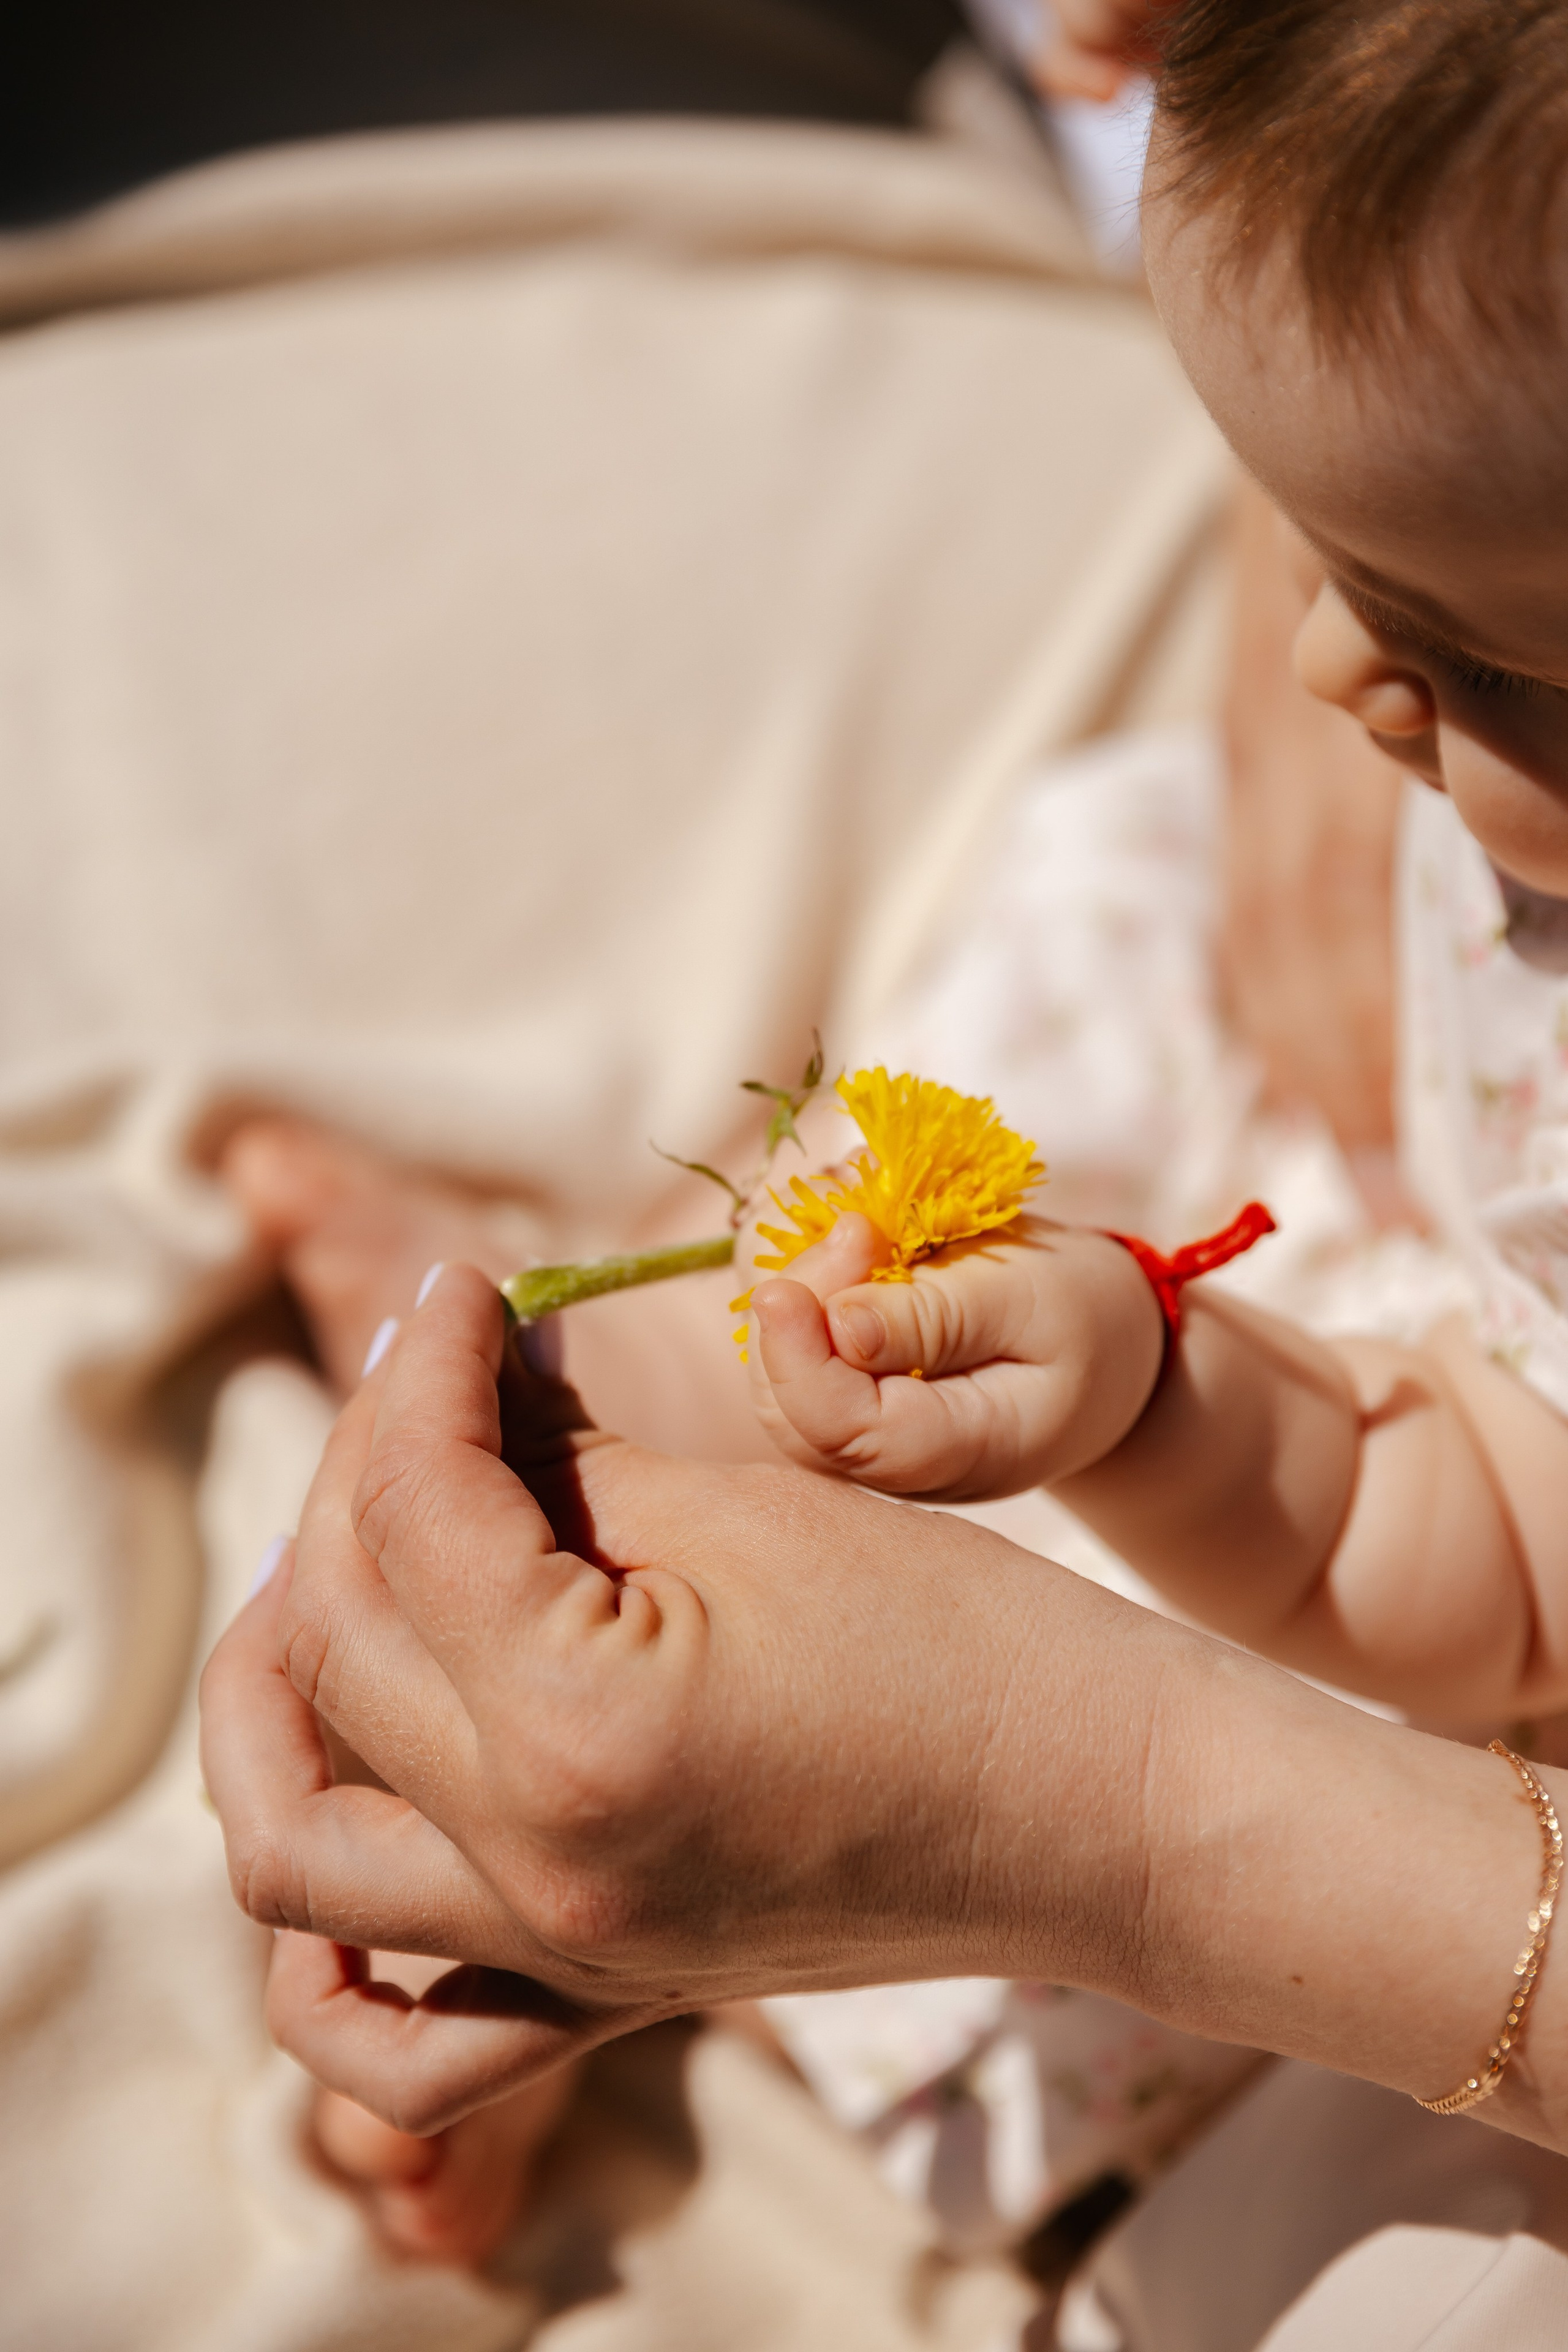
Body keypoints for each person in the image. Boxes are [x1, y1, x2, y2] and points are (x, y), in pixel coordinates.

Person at [203, 0, 1568, 2322]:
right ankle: (551, 1390)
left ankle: (616, 1849)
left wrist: (1185, 1450)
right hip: (1345, 1222)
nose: (1337, 669)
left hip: (1434, 1647)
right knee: (938, 1162)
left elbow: (1492, 1559)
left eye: (1477, 652)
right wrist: (1154, 1375)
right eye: (1316, 545)